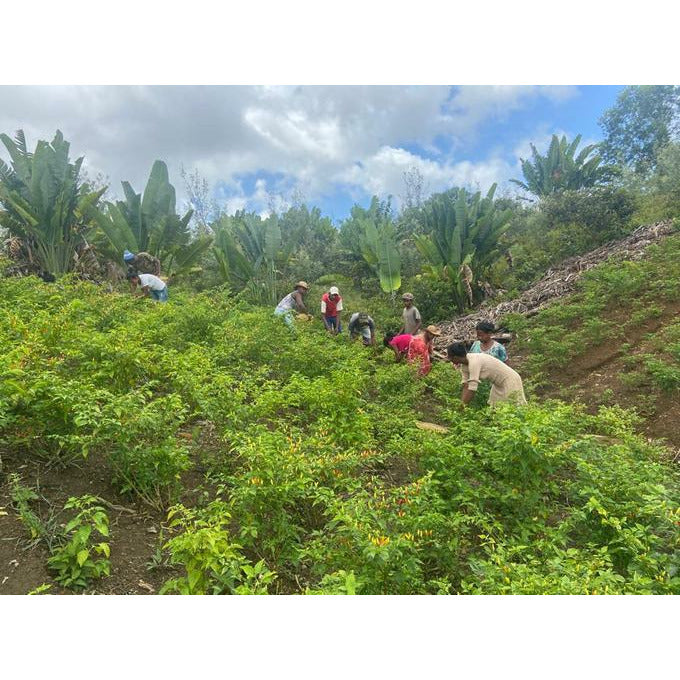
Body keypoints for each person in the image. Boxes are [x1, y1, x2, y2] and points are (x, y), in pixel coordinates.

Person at [447, 342, 526, 406]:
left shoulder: (474, 362)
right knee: (494, 407)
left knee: (513, 406)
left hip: (510, 379)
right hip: (497, 384)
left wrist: (462, 407)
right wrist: (461, 404)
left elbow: (472, 389)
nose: (449, 359)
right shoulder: (464, 366)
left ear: (456, 357)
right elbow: (466, 386)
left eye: (450, 357)